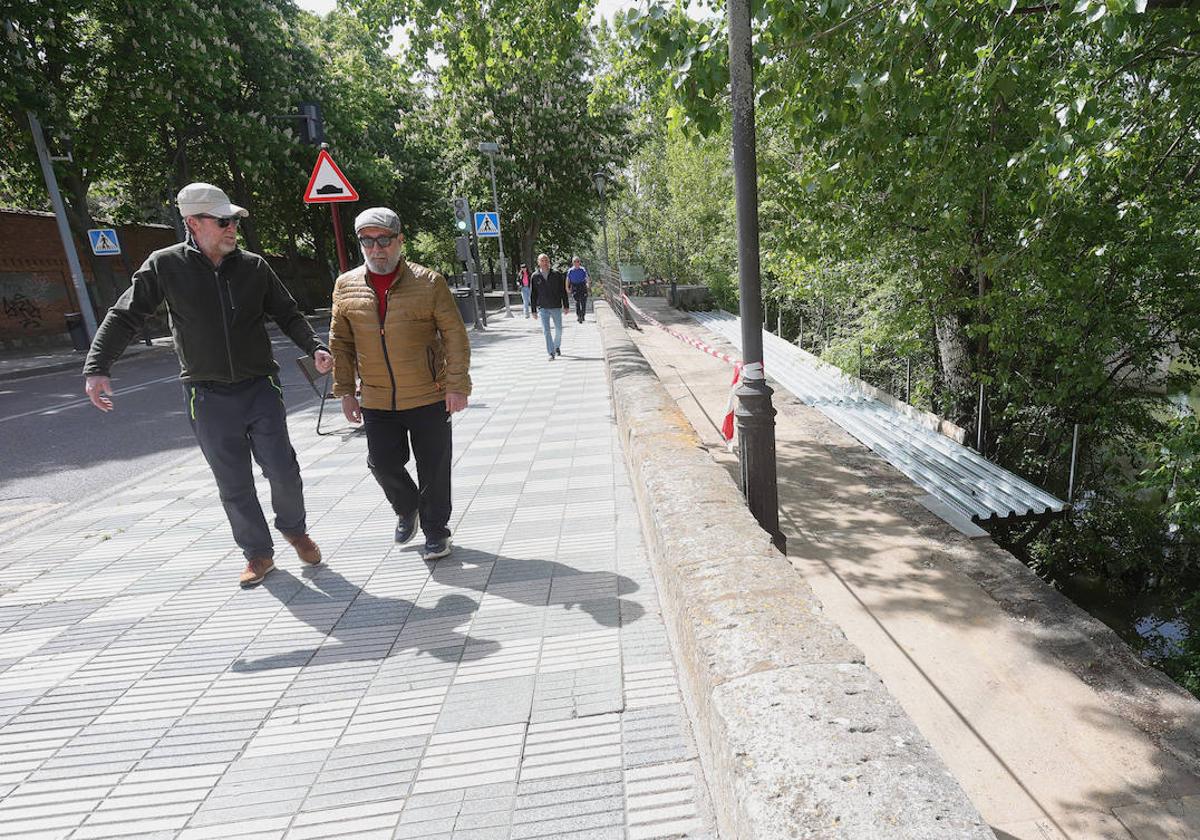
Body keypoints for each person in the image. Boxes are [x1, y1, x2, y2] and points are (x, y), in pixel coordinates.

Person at [83, 182, 332, 588]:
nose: (232, 227)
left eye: (233, 220)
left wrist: (314, 345)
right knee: (233, 482)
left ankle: (294, 529)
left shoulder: (253, 267)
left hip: (259, 387)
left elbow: (287, 313)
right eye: (223, 221)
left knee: (282, 470)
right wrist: (97, 367)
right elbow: (125, 315)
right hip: (207, 394)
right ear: (193, 223)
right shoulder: (165, 266)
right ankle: (258, 553)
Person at [330, 208, 471, 561]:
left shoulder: (429, 282)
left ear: (399, 240)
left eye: (384, 240)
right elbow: (340, 344)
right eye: (368, 241)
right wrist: (346, 391)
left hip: (429, 395)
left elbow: (454, 335)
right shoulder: (345, 286)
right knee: (381, 462)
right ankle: (408, 507)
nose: (377, 249)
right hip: (377, 398)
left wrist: (457, 385)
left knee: (434, 468)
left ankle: (436, 532)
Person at [530, 253, 568, 361]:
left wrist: (566, 305)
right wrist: (533, 310)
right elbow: (533, 294)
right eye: (542, 260)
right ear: (538, 262)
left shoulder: (556, 274)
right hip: (543, 308)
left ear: (549, 261)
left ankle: (556, 346)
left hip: (556, 306)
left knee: (559, 330)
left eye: (546, 260)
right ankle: (551, 352)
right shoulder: (535, 276)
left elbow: (563, 291)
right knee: (546, 331)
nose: (544, 262)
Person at [566, 256, 590, 323]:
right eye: (575, 261)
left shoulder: (583, 269)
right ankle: (579, 315)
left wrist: (588, 284)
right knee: (577, 302)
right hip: (574, 286)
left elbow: (587, 277)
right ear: (572, 263)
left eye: (578, 261)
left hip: (582, 286)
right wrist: (567, 288)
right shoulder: (570, 271)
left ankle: (583, 315)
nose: (576, 263)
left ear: (579, 262)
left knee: (583, 302)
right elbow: (567, 280)